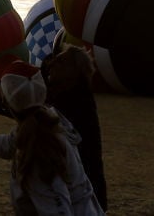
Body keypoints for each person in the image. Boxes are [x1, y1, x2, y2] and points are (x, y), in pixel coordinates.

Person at [0, 56, 103, 215]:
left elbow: (56, 210)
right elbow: (7, 145)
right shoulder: (46, 122)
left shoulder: (39, 151)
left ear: (5, 101)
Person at [44, 45, 108, 210]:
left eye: (59, 63)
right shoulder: (73, 95)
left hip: (81, 198)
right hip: (84, 194)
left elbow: (27, 106)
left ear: (73, 71)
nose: (51, 66)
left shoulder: (72, 101)